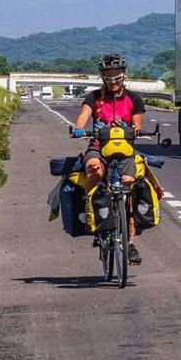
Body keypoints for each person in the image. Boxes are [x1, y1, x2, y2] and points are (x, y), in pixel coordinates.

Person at [72, 53, 146, 265]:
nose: (113, 81)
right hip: (98, 147)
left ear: (124, 76)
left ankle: (130, 243)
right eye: (108, 77)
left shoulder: (134, 99)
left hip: (124, 151)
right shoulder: (94, 98)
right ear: (102, 77)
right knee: (94, 170)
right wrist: (79, 129)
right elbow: (83, 117)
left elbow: (137, 125)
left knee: (130, 188)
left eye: (117, 77)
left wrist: (133, 129)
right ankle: (91, 212)